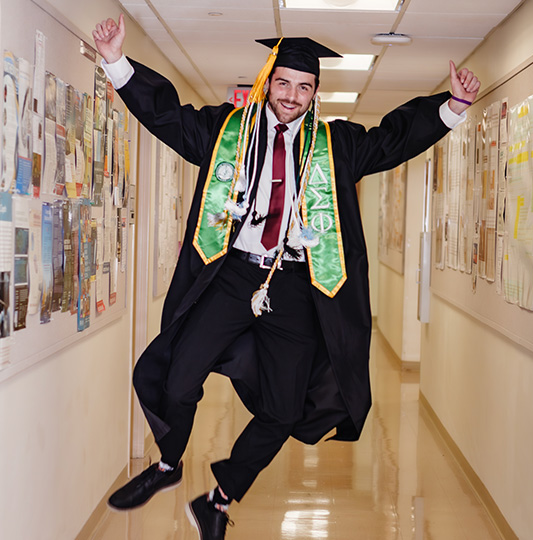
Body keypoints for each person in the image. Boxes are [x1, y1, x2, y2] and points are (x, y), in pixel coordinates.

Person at [92, 14, 480, 540]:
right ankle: (167, 463)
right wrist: (117, 61)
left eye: (305, 87)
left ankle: (220, 498)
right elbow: (166, 116)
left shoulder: (335, 145)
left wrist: (452, 107)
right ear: (267, 81)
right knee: (179, 376)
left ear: (315, 92)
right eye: (284, 83)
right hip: (231, 275)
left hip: (297, 286)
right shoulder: (223, 130)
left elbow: (393, 140)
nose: (293, 95)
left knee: (283, 408)